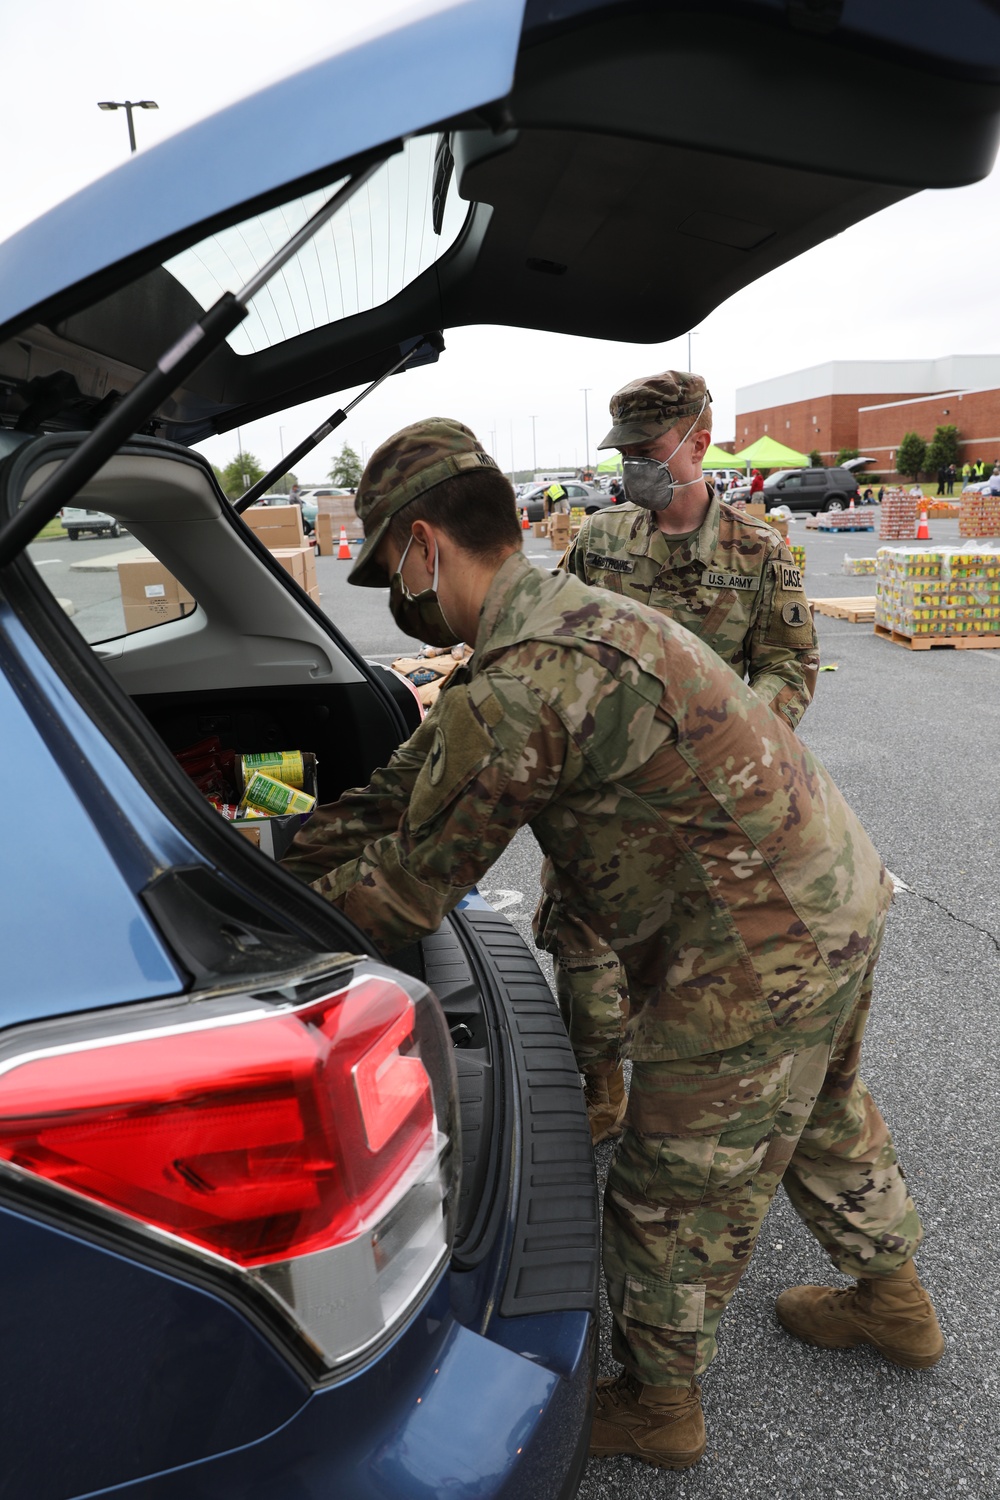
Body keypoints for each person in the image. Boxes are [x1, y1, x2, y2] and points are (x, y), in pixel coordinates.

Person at [282, 416, 942, 1471]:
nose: (395, 593)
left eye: (389, 569)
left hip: (750, 950)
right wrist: (288, 845)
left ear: (422, 544)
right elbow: (415, 779)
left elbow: (405, 896)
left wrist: (272, 916)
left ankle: (658, 1408)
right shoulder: (567, 613)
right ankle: (893, 1301)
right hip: (833, 896)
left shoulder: (523, 681)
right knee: (820, 1108)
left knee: (668, 1185)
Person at [543, 372, 818, 1143]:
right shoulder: (600, 541)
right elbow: (556, 642)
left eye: (649, 448)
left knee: (699, 972)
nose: (634, 464)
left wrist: (729, 740)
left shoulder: (757, 550)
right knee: (587, 966)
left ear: (699, 440)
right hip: (602, 801)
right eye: (624, 450)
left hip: (707, 804)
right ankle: (599, 1089)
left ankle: (692, 1116)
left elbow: (790, 666)